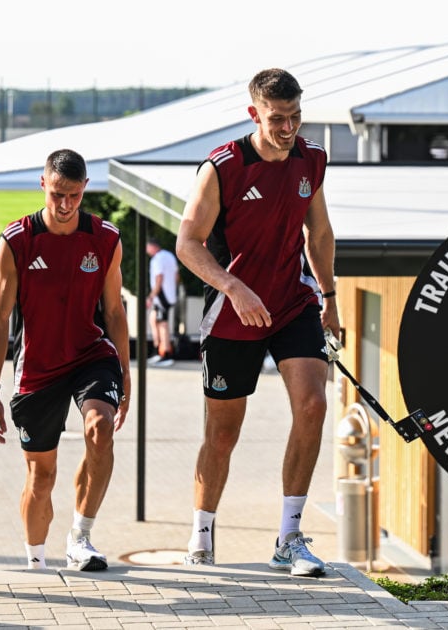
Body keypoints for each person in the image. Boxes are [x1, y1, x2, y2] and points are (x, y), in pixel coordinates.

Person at [175, 68, 339, 576]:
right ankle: (202, 532)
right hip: (233, 311)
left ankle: (290, 538)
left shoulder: (312, 159)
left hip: (292, 302)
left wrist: (329, 296)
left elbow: (320, 230)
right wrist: (232, 286)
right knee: (223, 434)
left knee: (313, 404)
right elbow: (187, 243)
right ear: (254, 114)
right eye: (276, 119)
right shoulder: (223, 167)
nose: (287, 128)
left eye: (294, 117)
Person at [0, 148, 131, 572]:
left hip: (90, 354)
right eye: (57, 195)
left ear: (85, 189)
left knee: (100, 428)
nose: (65, 206)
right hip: (38, 367)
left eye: (74, 196)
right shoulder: (17, 241)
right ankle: (36, 562)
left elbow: (116, 312)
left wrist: (124, 371)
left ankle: (81, 537)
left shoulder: (105, 239)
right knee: (41, 477)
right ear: (43, 185)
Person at [145, 237, 180, 366]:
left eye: (147, 247)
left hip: (162, 296)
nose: (147, 250)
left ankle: (165, 354)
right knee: (153, 319)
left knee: (162, 324)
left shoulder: (157, 259)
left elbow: (159, 278)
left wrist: (151, 296)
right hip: (169, 294)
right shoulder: (169, 255)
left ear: (153, 246)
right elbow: (176, 276)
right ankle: (157, 350)